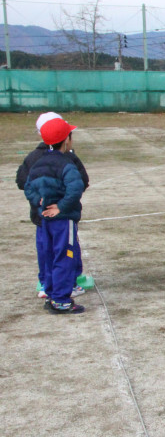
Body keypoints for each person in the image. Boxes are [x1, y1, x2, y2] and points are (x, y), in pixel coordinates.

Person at [17, 112, 91, 299]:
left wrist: (38, 201)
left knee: (47, 253)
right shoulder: (67, 160)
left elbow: (24, 183)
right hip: (62, 219)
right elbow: (79, 185)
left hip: (42, 218)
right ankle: (62, 294)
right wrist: (61, 206)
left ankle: (48, 287)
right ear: (66, 139)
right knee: (65, 254)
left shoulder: (35, 159)